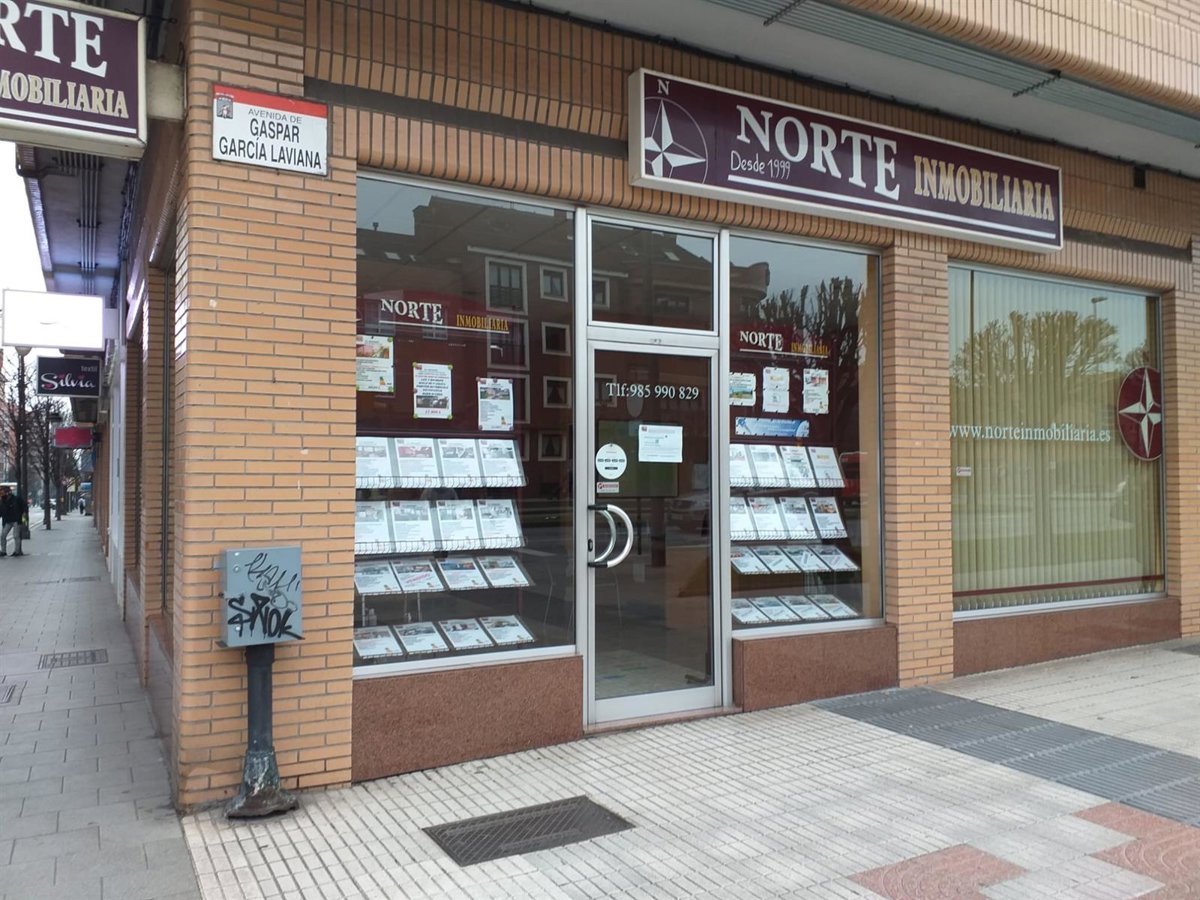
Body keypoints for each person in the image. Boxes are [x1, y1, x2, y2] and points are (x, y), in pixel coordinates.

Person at [0, 485, 28, 557]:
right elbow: (1, 511)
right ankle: (3, 551)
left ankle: (17, 551)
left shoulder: (16, 499)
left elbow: (24, 507)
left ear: (8, 492)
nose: (2, 494)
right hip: (7, 521)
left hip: (16, 520)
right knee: (3, 535)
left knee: (16, 535)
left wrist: (24, 517)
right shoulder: (2, 501)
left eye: (3, 492)